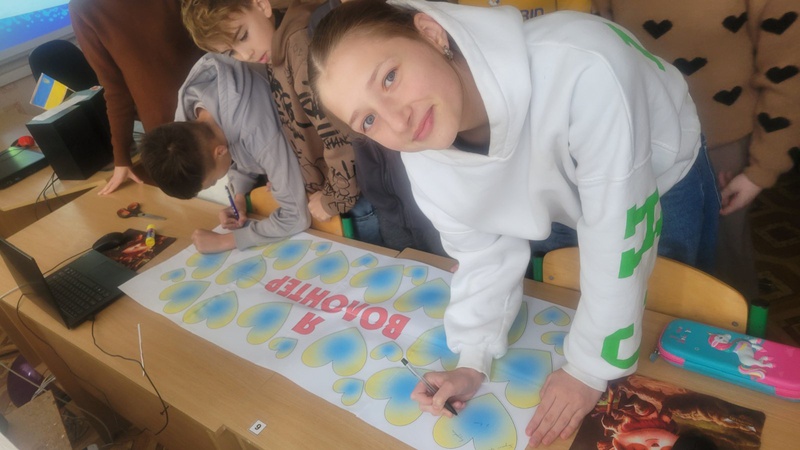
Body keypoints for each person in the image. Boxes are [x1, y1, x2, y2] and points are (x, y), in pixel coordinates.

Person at [307, 0, 718, 446]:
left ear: (431, 33)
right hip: (563, 194)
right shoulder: (422, 152)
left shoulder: (583, 64)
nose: (397, 120)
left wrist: (587, 369)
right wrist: (473, 357)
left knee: (674, 325)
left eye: (389, 77)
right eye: (369, 119)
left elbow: (619, 229)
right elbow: (481, 251)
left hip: (657, 175)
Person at [592, 0, 800, 302]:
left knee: (722, 269)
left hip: (720, 150)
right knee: (636, 257)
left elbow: (787, 70)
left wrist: (763, 169)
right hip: (633, 136)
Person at [180, 0, 382, 246]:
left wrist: (333, 199)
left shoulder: (298, 47)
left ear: (261, 5)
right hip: (337, 192)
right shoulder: (274, 51)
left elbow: (337, 137)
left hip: (355, 197)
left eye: (243, 36)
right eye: (230, 53)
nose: (244, 55)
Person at [140, 53, 310, 253]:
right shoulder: (197, 117)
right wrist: (239, 196)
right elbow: (242, 149)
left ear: (219, 152)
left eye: (213, 181)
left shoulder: (256, 131)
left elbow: (296, 217)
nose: (216, 182)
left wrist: (226, 241)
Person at [69, 0, 205, 195]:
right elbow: (115, 89)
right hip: (167, 136)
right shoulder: (84, 8)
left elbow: (211, 42)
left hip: (215, 111)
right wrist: (121, 158)